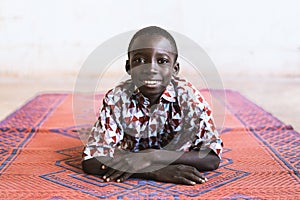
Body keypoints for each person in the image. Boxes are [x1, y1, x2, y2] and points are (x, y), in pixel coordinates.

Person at [82, 26, 223, 186]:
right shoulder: (117, 98)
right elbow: (91, 159)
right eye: (139, 60)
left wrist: (151, 156)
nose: (150, 69)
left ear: (175, 69)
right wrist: (154, 171)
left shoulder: (188, 97)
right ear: (128, 67)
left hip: (155, 154)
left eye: (162, 61)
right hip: (129, 154)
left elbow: (211, 158)